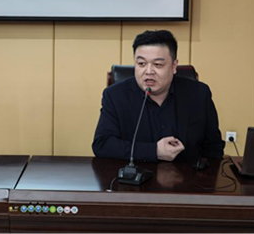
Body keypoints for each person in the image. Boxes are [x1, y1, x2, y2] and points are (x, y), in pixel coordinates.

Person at [92, 30, 225, 163]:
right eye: (141, 64)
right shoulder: (115, 96)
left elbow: (214, 147)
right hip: (136, 173)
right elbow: (102, 145)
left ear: (174, 66)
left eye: (158, 65)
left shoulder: (199, 94)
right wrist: (154, 151)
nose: (148, 71)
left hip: (189, 174)